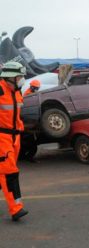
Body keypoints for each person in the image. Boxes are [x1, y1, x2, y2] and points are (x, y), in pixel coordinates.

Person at [0, 61, 29, 221]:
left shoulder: (17, 91)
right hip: (1, 138)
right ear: (10, 78)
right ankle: (16, 209)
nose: (22, 79)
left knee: (3, 171)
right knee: (10, 172)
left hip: (15, 137)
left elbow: (16, 114)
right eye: (19, 77)